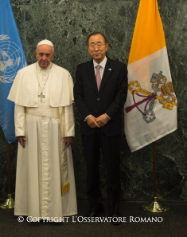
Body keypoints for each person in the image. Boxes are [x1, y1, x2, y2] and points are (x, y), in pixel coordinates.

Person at [8, 39, 77, 222]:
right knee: (31, 167)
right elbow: (19, 106)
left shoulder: (63, 75)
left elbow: (66, 108)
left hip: (56, 128)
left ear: (53, 55)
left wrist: (68, 131)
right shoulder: (23, 74)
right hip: (31, 128)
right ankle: (32, 210)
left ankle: (56, 211)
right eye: (41, 54)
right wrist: (20, 130)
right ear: (35, 53)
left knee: (56, 167)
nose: (44, 58)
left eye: (48, 55)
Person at [74, 32, 128, 224]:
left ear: (106, 46)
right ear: (88, 48)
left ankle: (114, 211)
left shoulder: (119, 68)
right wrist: (88, 116)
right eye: (92, 45)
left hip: (110, 126)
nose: (96, 48)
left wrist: (107, 116)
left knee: (113, 170)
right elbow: (78, 95)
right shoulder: (82, 69)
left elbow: (121, 95)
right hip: (89, 127)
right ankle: (94, 207)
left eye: (99, 44)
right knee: (91, 169)